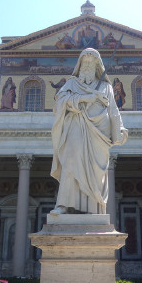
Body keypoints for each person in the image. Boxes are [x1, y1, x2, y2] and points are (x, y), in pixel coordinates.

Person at [50, 48, 128, 215]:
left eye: (90, 64)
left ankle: (94, 207)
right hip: (76, 128)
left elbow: (113, 110)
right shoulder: (71, 84)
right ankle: (63, 205)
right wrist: (85, 98)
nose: (87, 67)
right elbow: (58, 106)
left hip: (99, 134)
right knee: (70, 163)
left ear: (97, 67)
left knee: (95, 172)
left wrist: (119, 129)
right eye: (84, 63)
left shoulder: (106, 87)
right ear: (79, 65)